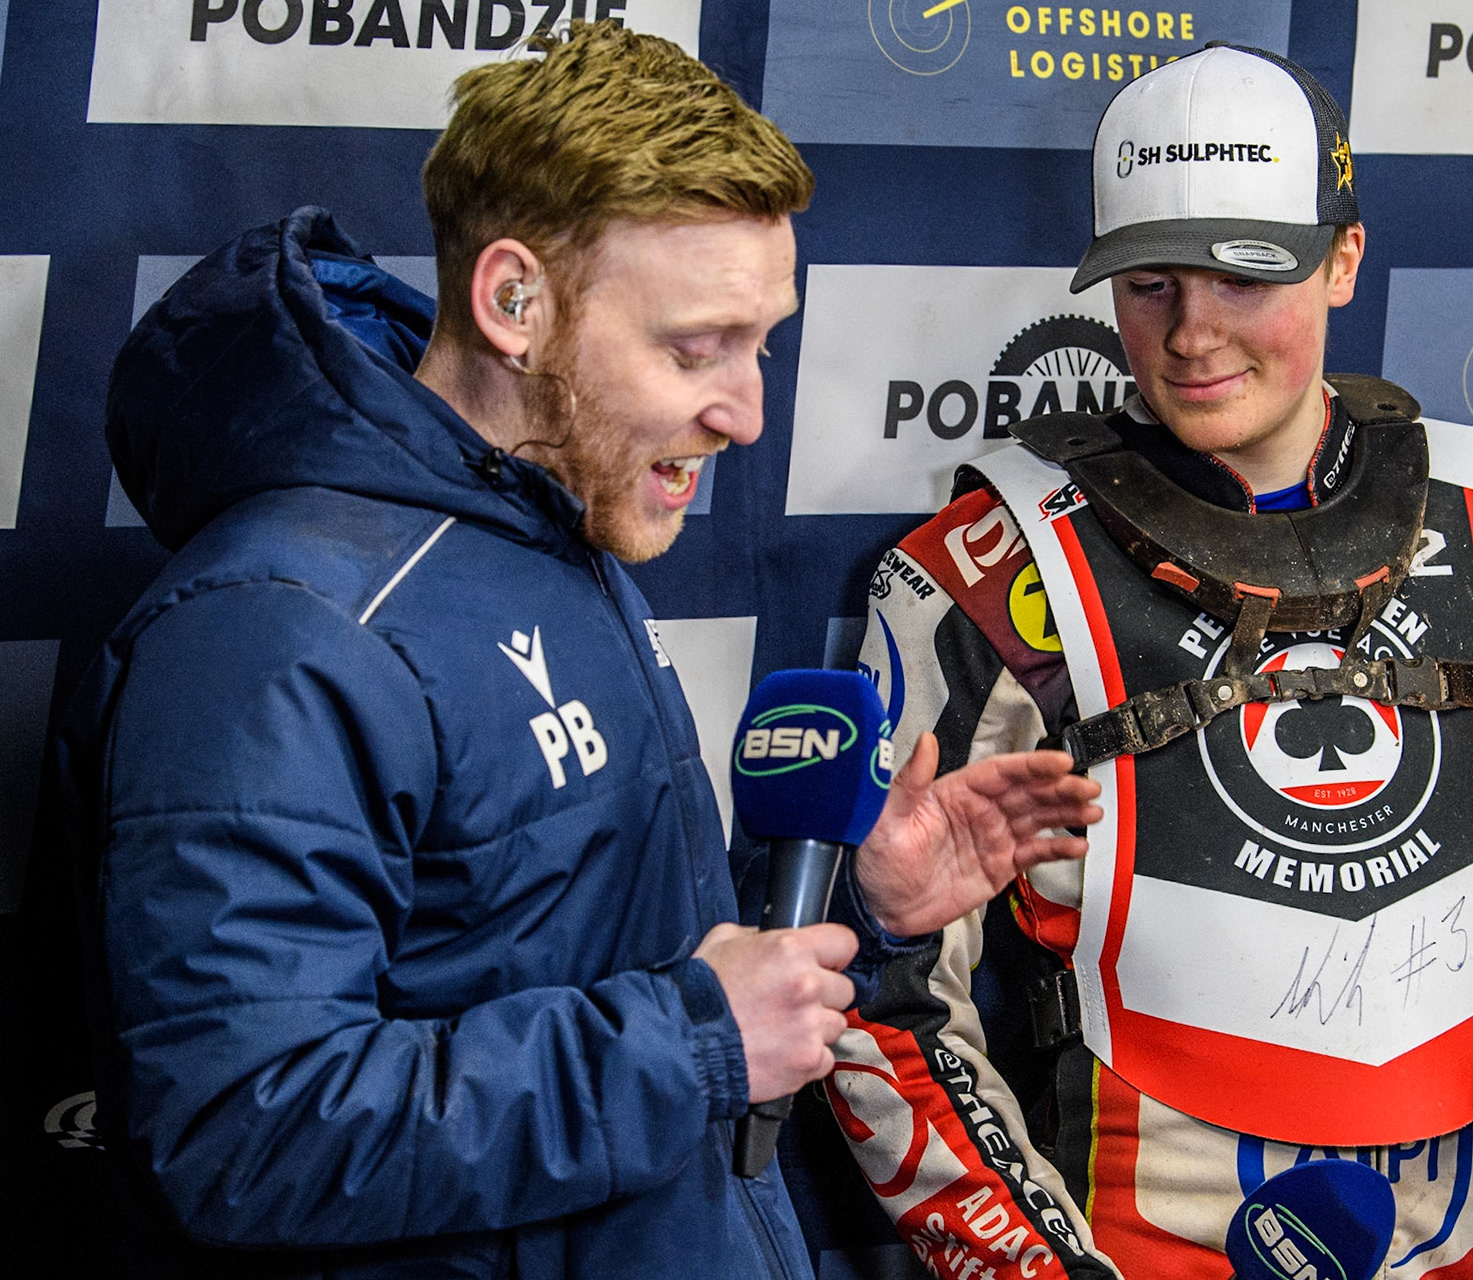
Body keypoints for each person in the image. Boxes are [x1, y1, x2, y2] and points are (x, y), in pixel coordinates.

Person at [57, 23, 1100, 1280]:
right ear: (515, 302)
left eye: (761, 341)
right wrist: (695, 1039)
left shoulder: (554, 521)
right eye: (694, 346)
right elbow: (242, 1131)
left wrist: (851, 912)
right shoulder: (277, 629)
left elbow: (568, 954)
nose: (748, 412)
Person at [824, 45, 1473, 1280]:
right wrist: (1031, 1263)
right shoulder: (991, 564)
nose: (1193, 334)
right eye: (1149, 283)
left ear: (1343, 257)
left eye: (1246, 276)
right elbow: (881, 990)